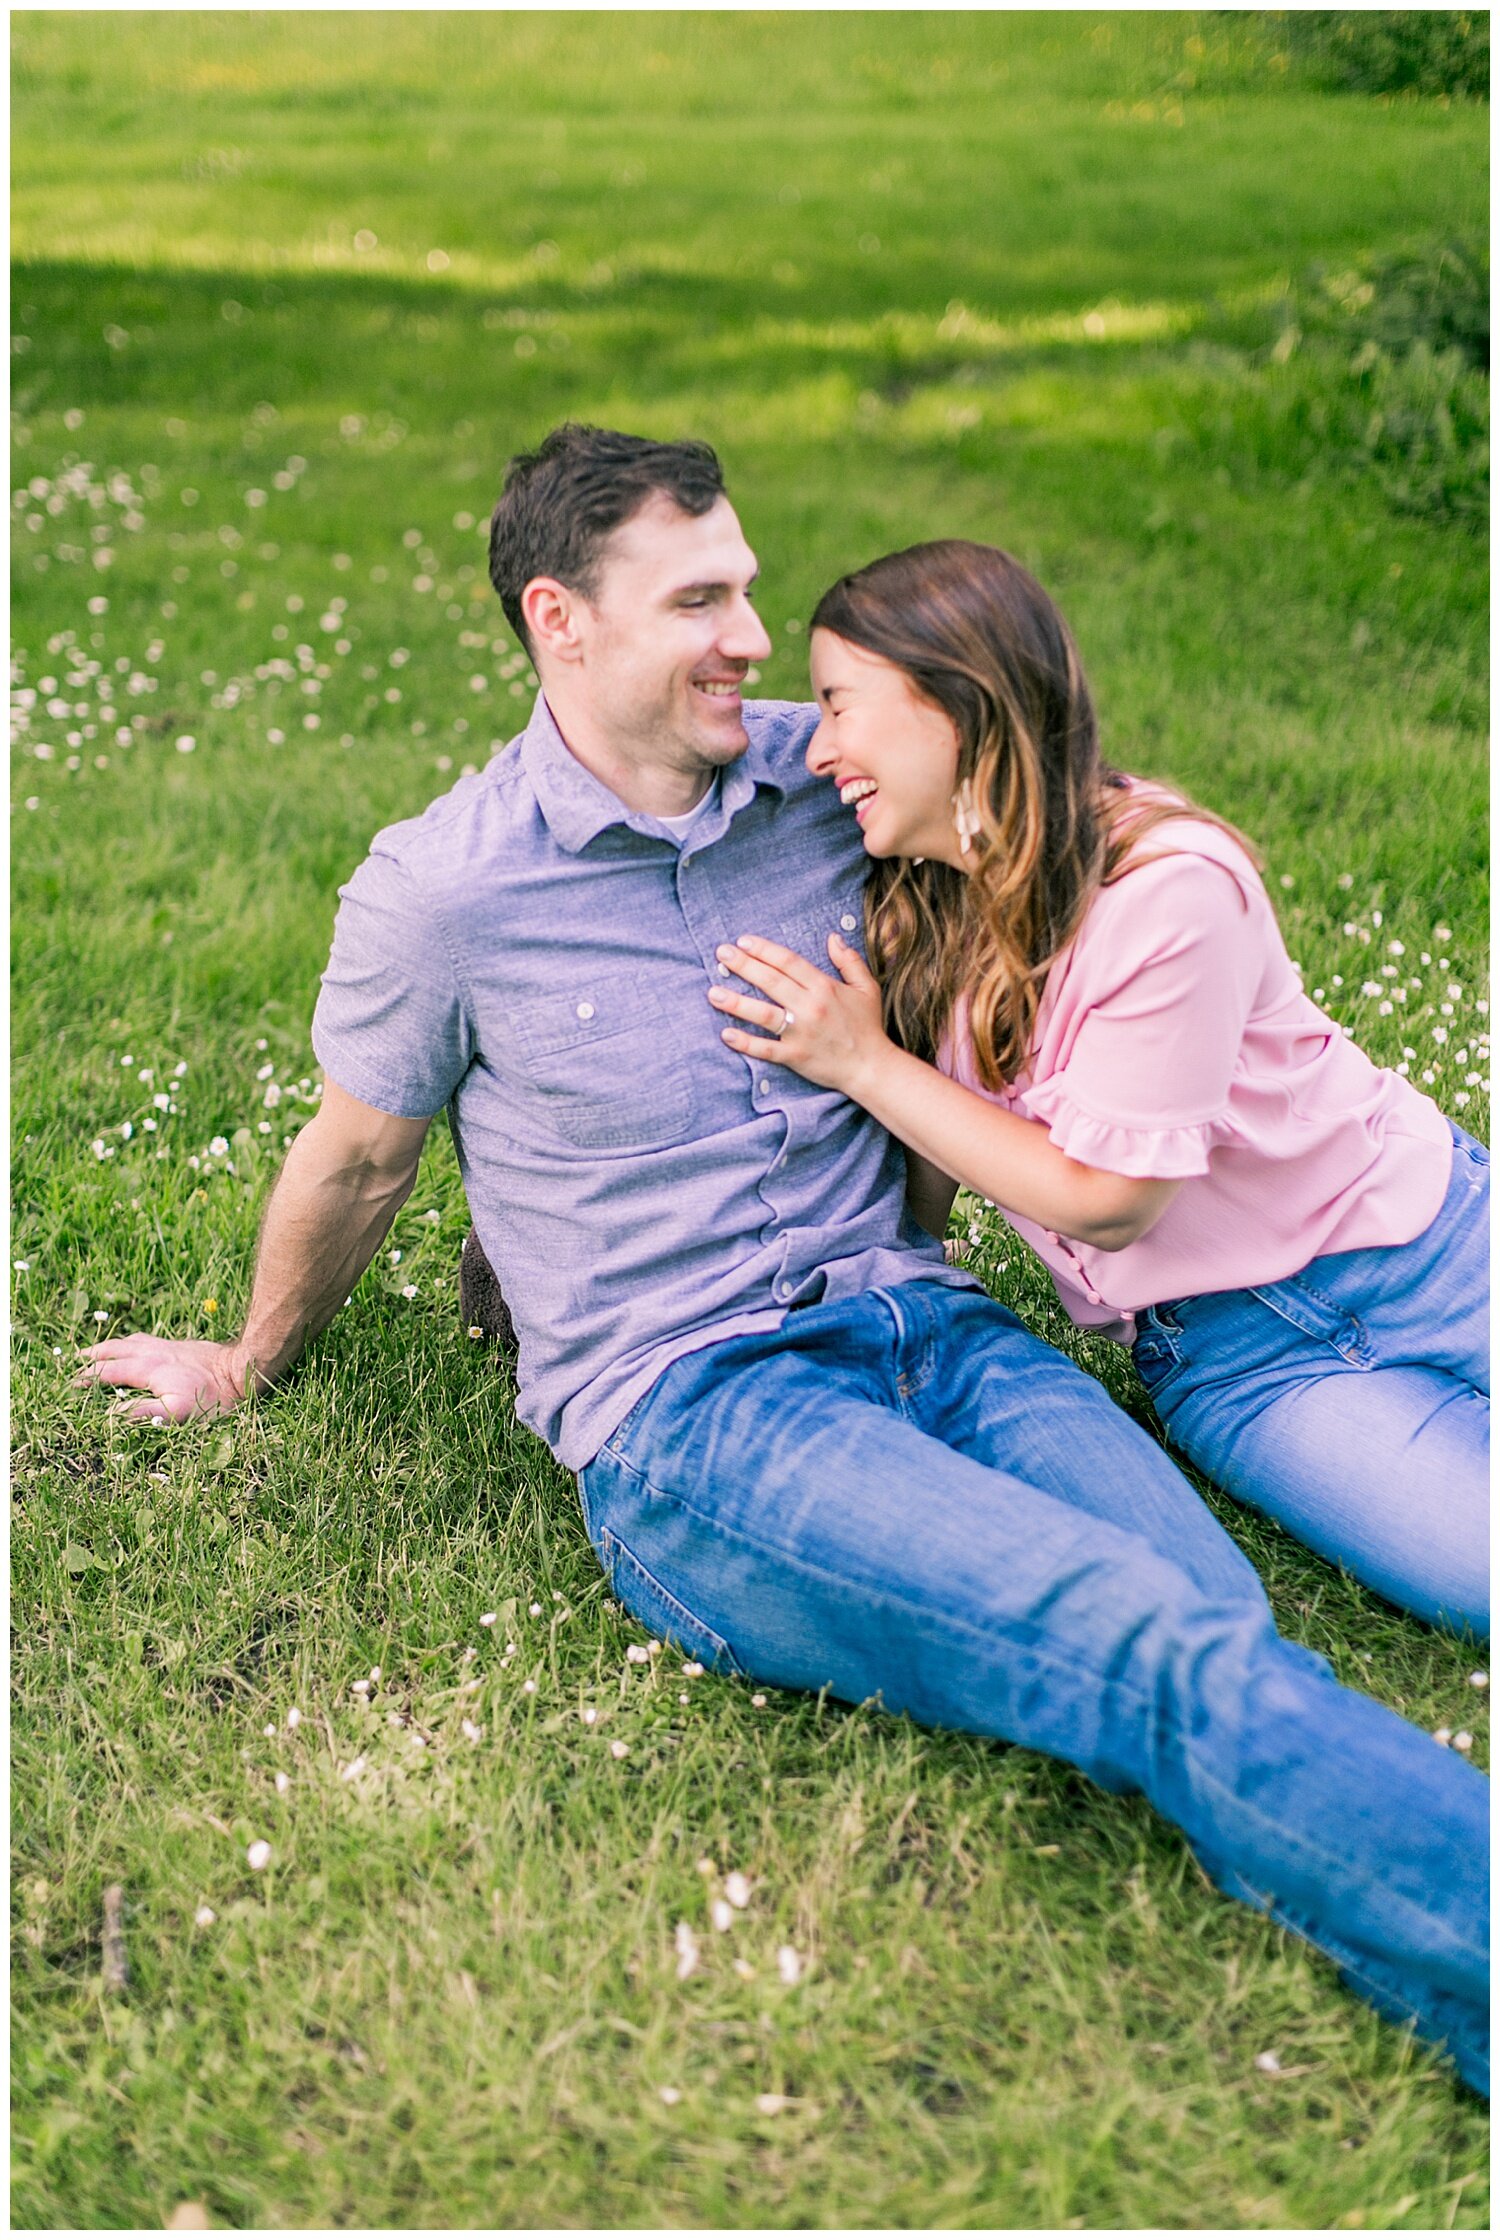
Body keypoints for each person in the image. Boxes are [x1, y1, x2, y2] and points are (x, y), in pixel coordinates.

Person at [79, 425, 1488, 2095]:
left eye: (746, 589)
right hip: (705, 1411)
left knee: (1208, 1611)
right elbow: (361, 1157)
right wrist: (249, 1355)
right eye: (702, 600)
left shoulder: (828, 787)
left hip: (938, 1329)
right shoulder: (443, 892)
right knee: (1139, 1636)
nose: (751, 643)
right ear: (561, 620)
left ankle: (1349, 1845)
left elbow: (1026, 803)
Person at [710, 538, 1489, 1641]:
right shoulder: (918, 902)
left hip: (1425, 1242)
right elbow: (937, 1151)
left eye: (839, 704)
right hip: (1240, 1361)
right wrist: (903, 1283)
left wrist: (863, 1062)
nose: (820, 745)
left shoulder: (1167, 887)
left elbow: (1112, 1197)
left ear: (957, 701)